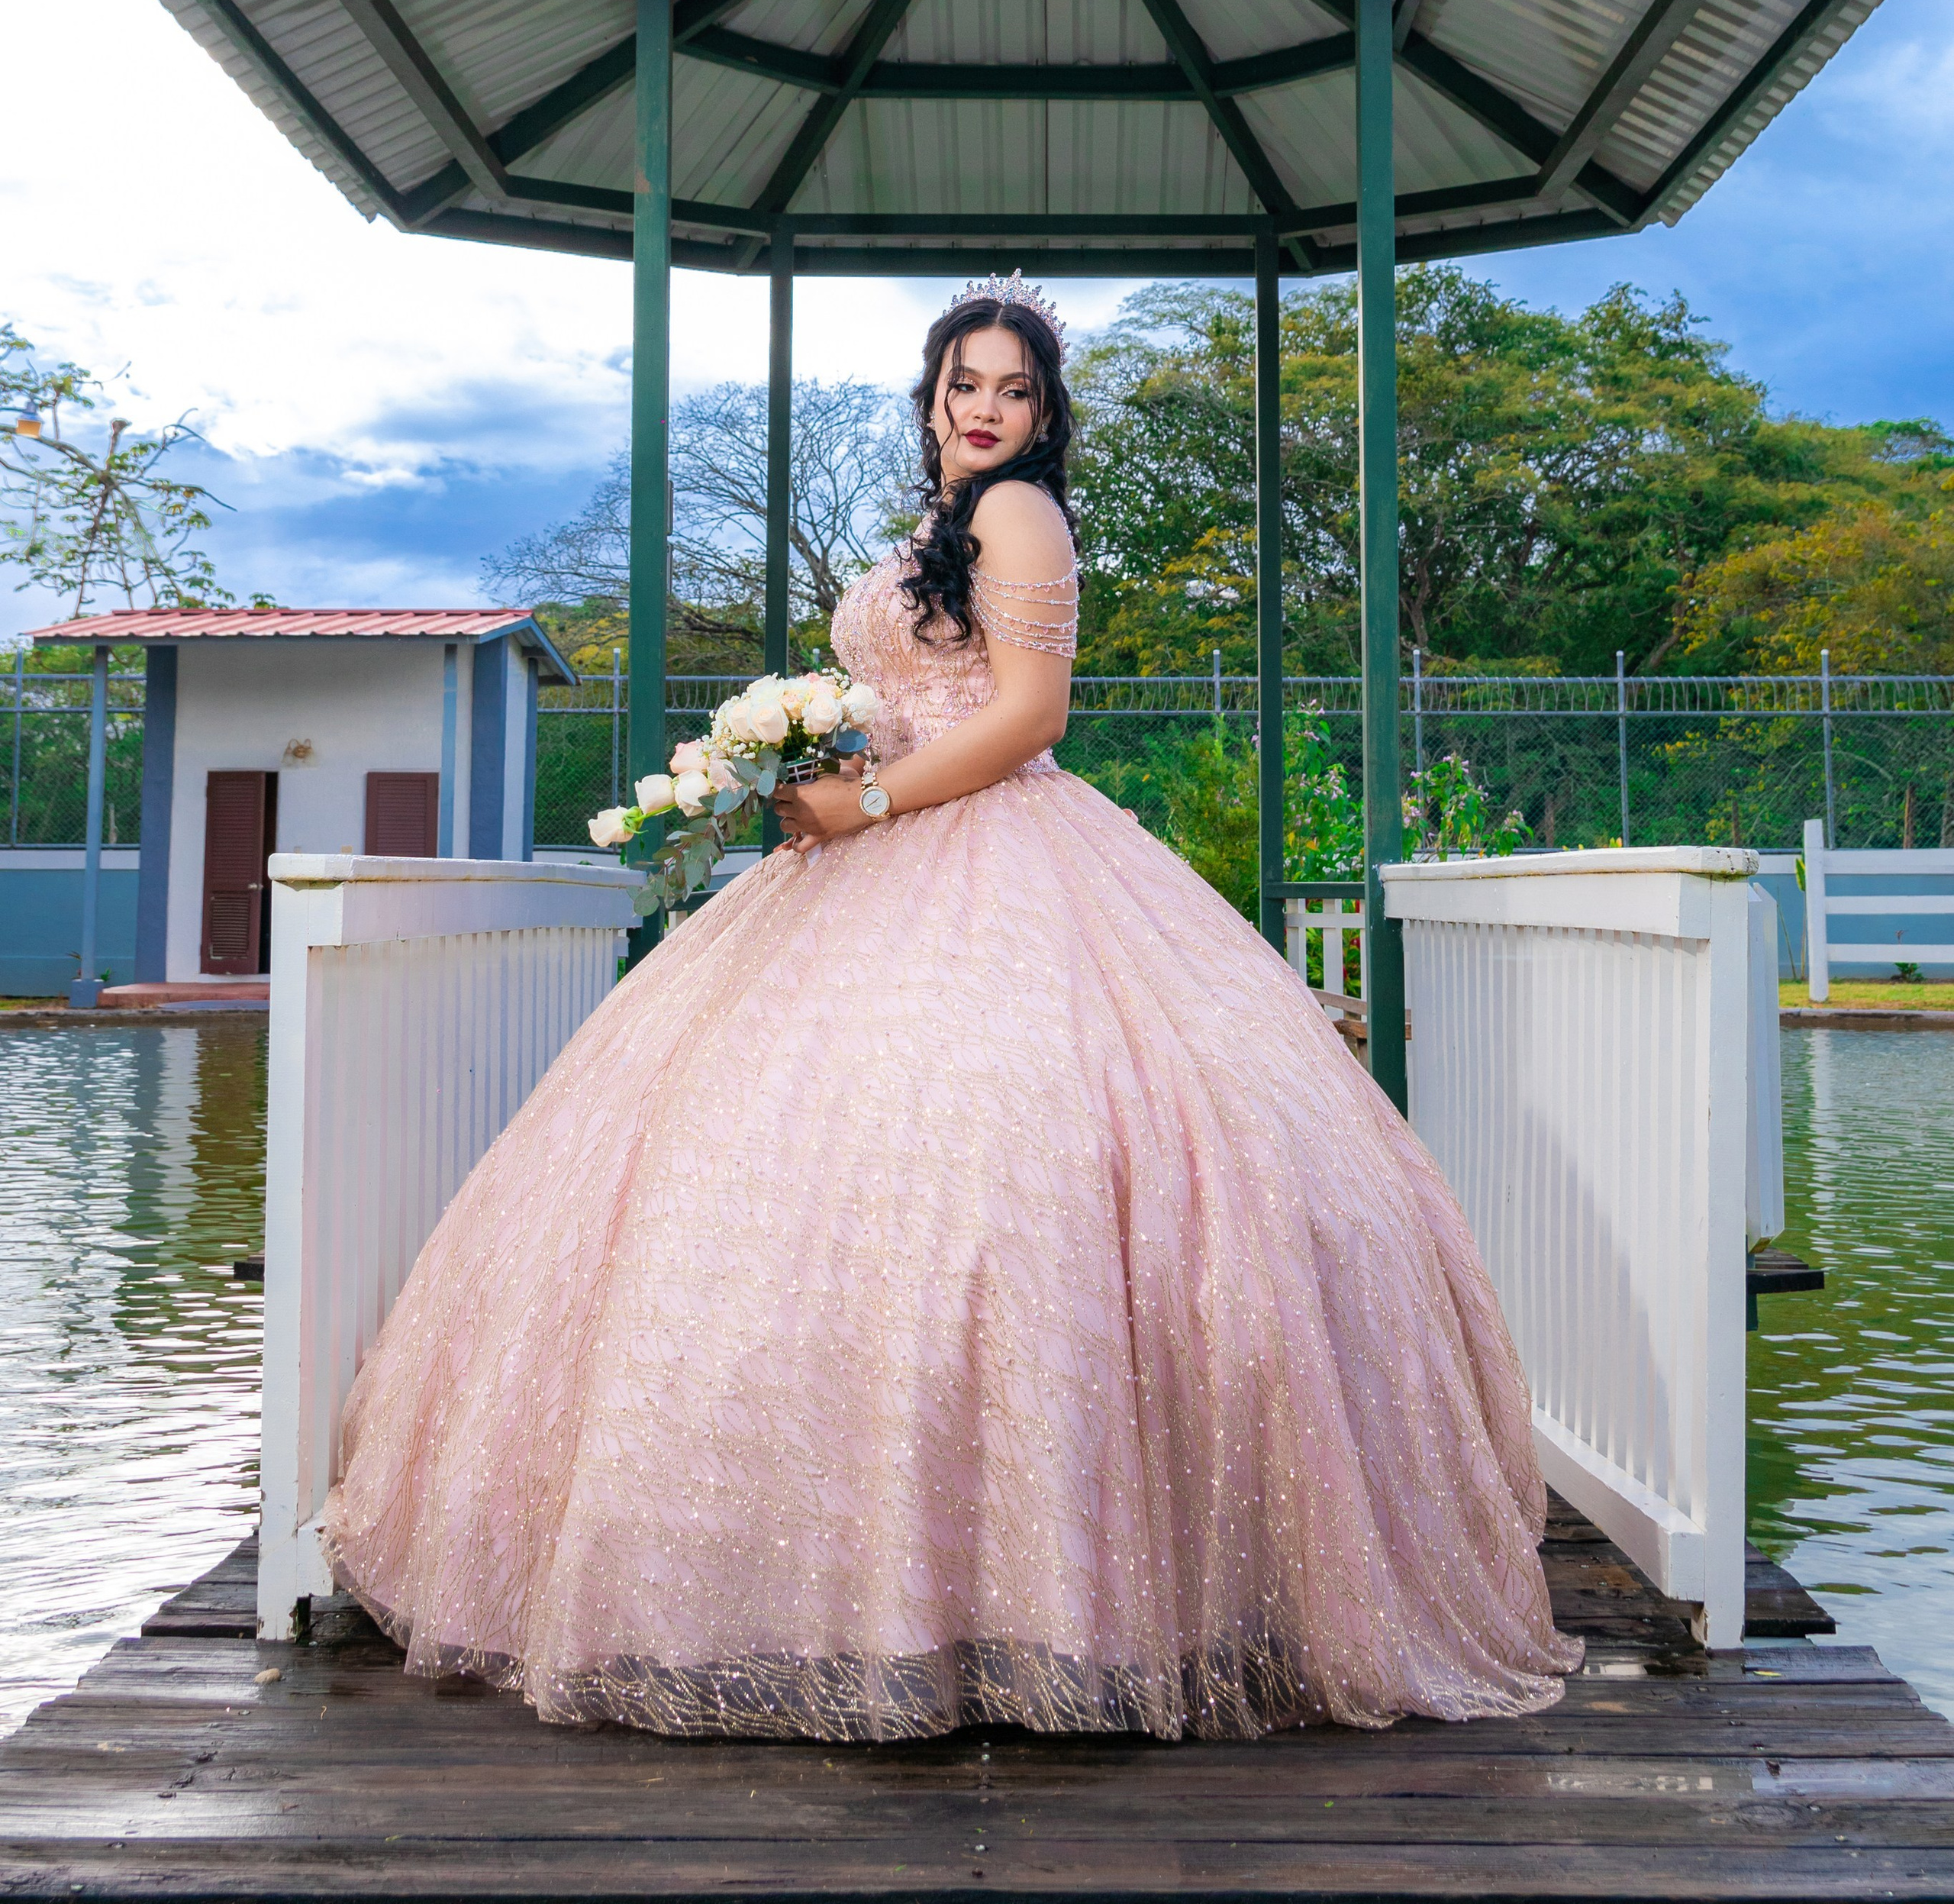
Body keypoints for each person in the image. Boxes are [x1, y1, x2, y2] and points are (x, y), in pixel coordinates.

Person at [322, 278, 1578, 1743]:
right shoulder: (939, 528)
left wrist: (866, 800)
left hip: (987, 849)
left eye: (1013, 389)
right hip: (872, 852)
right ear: (931, 402)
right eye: (961, 385)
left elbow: (1032, 713)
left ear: (1043, 415)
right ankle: (837, 1571)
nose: (983, 408)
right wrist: (812, 765)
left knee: (988, 1173)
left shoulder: (1019, 515)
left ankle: (1015, 1590)